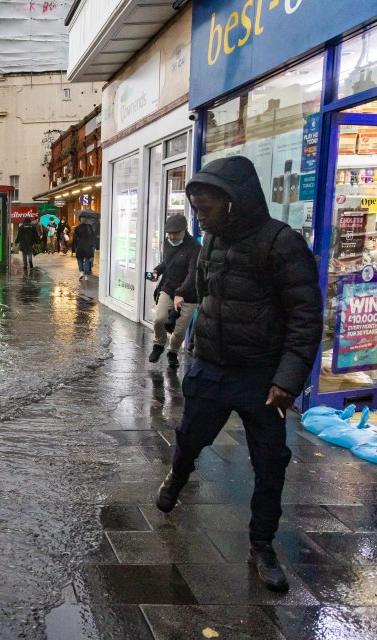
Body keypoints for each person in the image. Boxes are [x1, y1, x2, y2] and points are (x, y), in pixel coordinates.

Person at [155, 156, 322, 593]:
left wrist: (287, 379)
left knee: (270, 463)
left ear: (234, 203)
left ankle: (262, 545)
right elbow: (204, 289)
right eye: (195, 208)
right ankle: (178, 473)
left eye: (206, 208)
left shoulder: (280, 243)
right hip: (211, 367)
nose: (200, 217)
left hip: (262, 378)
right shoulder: (209, 241)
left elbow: (306, 316)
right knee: (190, 437)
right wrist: (176, 299)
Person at [147, 214, 200, 369]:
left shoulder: (195, 248)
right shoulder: (168, 243)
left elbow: (193, 273)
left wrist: (181, 293)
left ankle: (173, 352)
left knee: (179, 330)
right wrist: (157, 271)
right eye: (168, 233)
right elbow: (167, 263)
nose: (171, 236)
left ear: (184, 230)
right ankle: (158, 345)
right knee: (159, 319)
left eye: (175, 233)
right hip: (169, 288)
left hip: (189, 294)